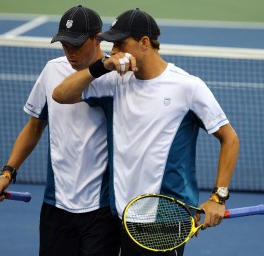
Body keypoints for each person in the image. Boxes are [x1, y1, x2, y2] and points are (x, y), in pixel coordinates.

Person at [53, 8, 240, 256]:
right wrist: (102, 65)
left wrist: (218, 197)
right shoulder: (114, 82)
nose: (115, 52)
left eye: (120, 44)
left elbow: (230, 139)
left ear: (144, 43)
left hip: (164, 218)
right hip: (122, 215)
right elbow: (61, 95)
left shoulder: (188, 87)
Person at [0, 5, 120, 256]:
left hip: (102, 209)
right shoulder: (53, 70)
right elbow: (34, 126)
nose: (69, 52)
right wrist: (7, 173)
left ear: (97, 39)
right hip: (56, 205)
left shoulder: (117, 78)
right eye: (65, 45)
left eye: (77, 45)